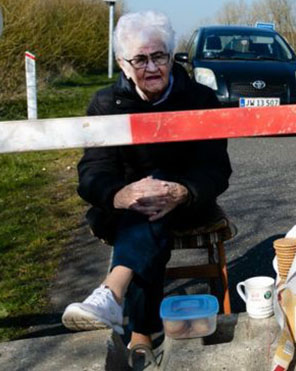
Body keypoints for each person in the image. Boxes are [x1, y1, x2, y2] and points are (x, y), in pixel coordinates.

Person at [61, 10, 232, 357]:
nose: (152, 68)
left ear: (171, 57)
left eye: (159, 56)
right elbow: (91, 173)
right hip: (125, 209)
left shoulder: (201, 100)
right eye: (140, 59)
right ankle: (134, 324)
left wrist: (182, 191)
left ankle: (127, 315)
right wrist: (121, 194)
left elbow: (216, 169)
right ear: (123, 65)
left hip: (188, 203)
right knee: (147, 204)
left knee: (155, 196)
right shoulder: (105, 104)